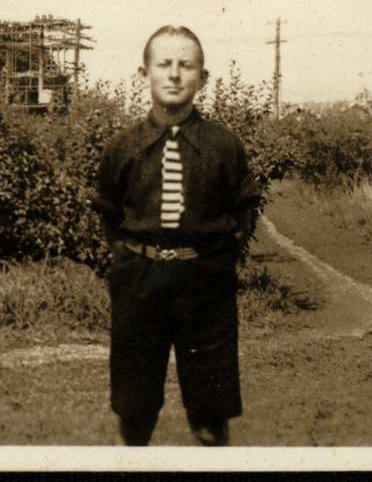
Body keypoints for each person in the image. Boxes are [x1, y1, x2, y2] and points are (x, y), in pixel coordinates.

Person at [90, 25, 261, 446]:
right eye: (163, 64)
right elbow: (109, 214)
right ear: (143, 74)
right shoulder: (122, 146)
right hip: (138, 288)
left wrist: (213, 262)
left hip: (206, 290)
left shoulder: (225, 146)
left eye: (186, 66)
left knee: (210, 412)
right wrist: (131, 260)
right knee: (135, 410)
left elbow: (243, 214)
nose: (174, 74)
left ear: (203, 77)